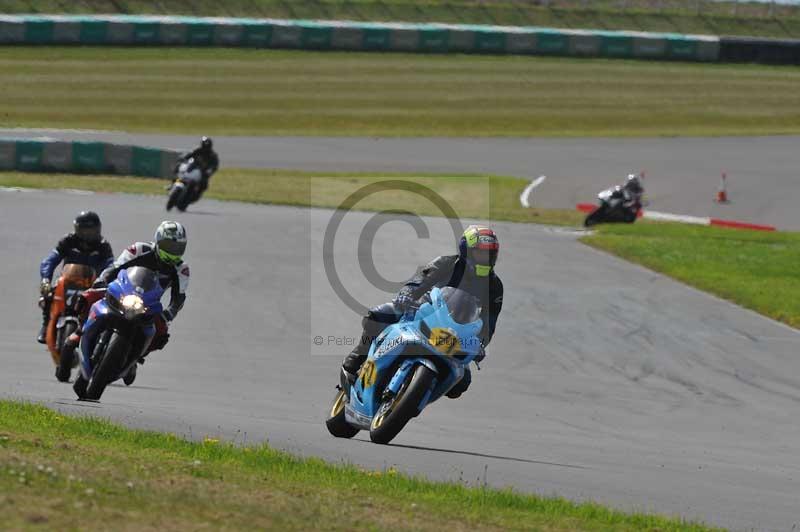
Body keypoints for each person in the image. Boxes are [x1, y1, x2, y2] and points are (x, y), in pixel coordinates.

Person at [340, 225, 503, 399]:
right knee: (379, 315)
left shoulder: (494, 286)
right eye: (480, 253)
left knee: (461, 383)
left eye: (489, 255)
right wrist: (407, 295)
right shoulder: (446, 263)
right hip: (421, 314)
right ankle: (352, 363)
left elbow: (489, 323)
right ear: (466, 251)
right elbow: (420, 280)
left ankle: (417, 392)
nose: (484, 259)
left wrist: (480, 344)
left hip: (454, 336)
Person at [66, 221, 189, 379]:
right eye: (169, 246)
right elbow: (116, 266)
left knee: (161, 332)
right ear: (158, 241)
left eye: (178, 248)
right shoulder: (140, 249)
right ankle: (80, 330)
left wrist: (169, 313)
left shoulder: (181, 269)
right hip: (123, 292)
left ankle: (137, 357)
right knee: (89, 296)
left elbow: (179, 297)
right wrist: (102, 281)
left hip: (148, 305)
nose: (173, 252)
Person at [37, 211, 114, 343]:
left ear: (98, 229)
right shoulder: (68, 241)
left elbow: (110, 266)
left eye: (92, 230)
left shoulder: (103, 246)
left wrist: (106, 281)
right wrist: (45, 279)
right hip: (68, 280)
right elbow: (50, 261)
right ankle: (46, 325)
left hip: (91, 284)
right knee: (47, 295)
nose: (88, 234)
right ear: (77, 229)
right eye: (85, 231)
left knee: (105, 307)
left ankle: (99, 337)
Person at [175, 136, 219, 201]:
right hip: (193, 167)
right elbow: (189, 155)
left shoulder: (213, 156)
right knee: (180, 170)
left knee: (204, 185)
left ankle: (195, 196)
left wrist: (209, 171)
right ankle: (174, 183)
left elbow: (215, 166)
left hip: (202, 172)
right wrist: (183, 158)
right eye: (204, 146)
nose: (205, 148)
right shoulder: (198, 150)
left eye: (207, 147)